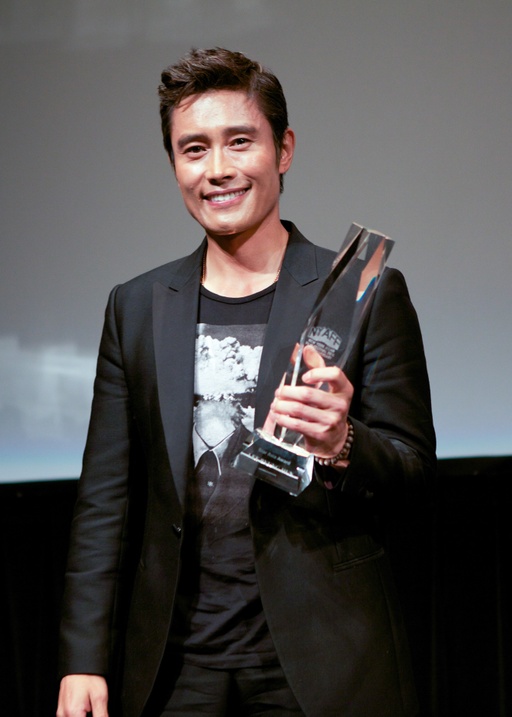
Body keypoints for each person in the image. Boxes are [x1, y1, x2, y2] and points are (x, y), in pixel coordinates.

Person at [56, 48, 436, 717]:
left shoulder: (360, 293)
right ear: (174, 165)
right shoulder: (137, 306)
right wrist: (83, 657)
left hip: (322, 659)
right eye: (193, 149)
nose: (218, 169)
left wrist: (344, 444)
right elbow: (105, 501)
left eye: (240, 141)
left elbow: (414, 477)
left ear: (283, 150)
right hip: (177, 664)